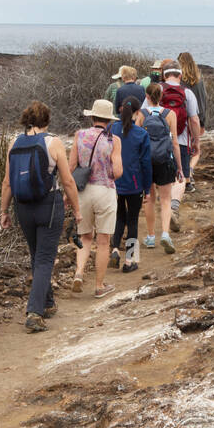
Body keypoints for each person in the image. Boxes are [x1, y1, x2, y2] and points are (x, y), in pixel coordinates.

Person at [0, 101, 80, 333]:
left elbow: (7, 182)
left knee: (37, 255)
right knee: (45, 257)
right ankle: (34, 312)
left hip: (22, 206)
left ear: (26, 119)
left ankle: (47, 302)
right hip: (48, 204)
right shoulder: (53, 143)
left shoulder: (13, 143)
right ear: (47, 120)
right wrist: (76, 210)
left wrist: (4, 211)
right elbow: (67, 181)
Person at [69, 99, 123, 297]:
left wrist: (68, 193)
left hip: (83, 191)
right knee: (103, 241)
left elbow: (71, 167)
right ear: (109, 121)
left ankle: (78, 273)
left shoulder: (79, 136)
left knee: (85, 237)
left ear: (92, 117)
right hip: (105, 190)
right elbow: (117, 171)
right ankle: (99, 286)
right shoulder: (113, 140)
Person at [110, 96, 152, 273]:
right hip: (134, 183)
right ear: (137, 112)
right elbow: (146, 163)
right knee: (132, 220)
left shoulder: (112, 128)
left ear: (120, 109)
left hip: (114, 181)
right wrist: (147, 188)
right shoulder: (141, 134)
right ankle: (129, 260)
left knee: (119, 217)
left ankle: (114, 249)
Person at [160, 60, 200, 232]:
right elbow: (194, 120)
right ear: (180, 76)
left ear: (164, 75)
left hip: (158, 141)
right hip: (181, 141)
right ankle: (174, 207)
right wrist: (196, 141)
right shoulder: (188, 93)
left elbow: (143, 114)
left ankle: (162, 213)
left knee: (160, 179)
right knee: (181, 174)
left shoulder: (156, 90)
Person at [142, 82, 181, 254]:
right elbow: (174, 143)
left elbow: (137, 140)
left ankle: (151, 237)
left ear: (147, 97)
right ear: (161, 96)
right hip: (165, 161)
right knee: (165, 200)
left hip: (146, 161)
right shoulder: (170, 114)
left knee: (149, 199)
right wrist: (179, 167)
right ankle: (165, 234)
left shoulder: (141, 114)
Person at [178, 51, 206, 191]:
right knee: (195, 149)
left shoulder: (180, 81)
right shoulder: (199, 81)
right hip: (195, 117)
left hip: (181, 118)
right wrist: (203, 122)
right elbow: (202, 102)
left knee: (184, 148)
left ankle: (187, 174)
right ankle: (189, 172)